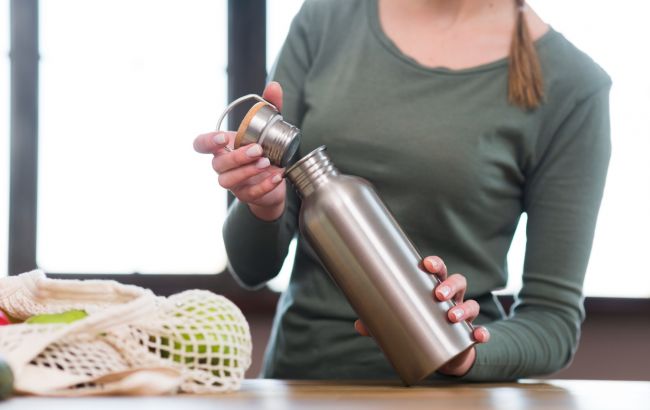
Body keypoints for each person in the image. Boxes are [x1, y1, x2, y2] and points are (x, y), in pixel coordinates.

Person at [193, 0, 611, 381]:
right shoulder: (327, 18)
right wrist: (263, 205)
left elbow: (552, 322)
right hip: (304, 381)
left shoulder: (572, 84)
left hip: (452, 397)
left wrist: (462, 354)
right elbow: (252, 269)